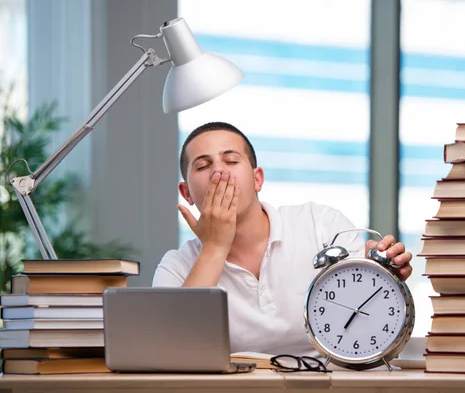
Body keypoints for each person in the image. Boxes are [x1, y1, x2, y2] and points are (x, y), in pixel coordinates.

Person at [152, 122, 413, 357]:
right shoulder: (176, 266)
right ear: (186, 192)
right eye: (203, 165)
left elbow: (368, 322)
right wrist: (214, 247)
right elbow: (168, 351)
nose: (219, 172)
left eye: (231, 161)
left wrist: (379, 275)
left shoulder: (320, 224)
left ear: (257, 179)